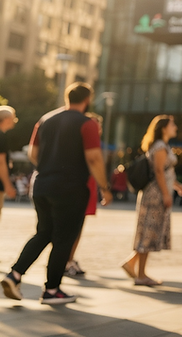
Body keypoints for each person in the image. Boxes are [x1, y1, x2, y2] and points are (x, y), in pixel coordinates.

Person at [1, 83, 111, 305]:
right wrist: (105, 188)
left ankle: (14, 275)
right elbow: (94, 158)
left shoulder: (45, 119)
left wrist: (50, 165)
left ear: (67, 97)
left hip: (42, 184)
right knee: (64, 238)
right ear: (87, 100)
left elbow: (33, 153)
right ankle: (52, 290)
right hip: (70, 187)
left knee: (44, 232)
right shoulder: (87, 124)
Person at [122, 115, 182, 286]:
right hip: (155, 195)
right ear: (164, 128)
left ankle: (132, 264)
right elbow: (158, 171)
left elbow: (166, 172)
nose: (176, 127)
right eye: (173, 124)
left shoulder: (162, 145)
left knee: (149, 232)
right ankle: (141, 275)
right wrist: (166, 194)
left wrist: (177, 186)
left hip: (157, 192)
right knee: (149, 233)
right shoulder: (159, 146)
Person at [66, 113, 104, 278]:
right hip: (82, 185)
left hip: (88, 185)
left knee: (78, 225)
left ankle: (69, 259)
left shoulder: (90, 142)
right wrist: (106, 188)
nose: (98, 129)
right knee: (74, 226)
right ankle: (66, 261)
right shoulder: (83, 143)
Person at [0, 106, 17, 224]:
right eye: (13, 118)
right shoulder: (1, 136)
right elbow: (1, 162)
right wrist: (7, 185)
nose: (15, 121)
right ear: (6, 119)